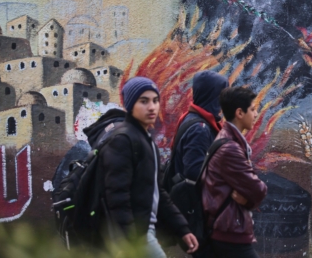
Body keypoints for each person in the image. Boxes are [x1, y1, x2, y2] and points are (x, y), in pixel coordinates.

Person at [99, 76, 199, 257]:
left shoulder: (147, 141)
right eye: (143, 101)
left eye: (155, 101)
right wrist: (129, 241)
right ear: (130, 105)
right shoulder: (123, 140)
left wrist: (182, 229)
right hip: (137, 236)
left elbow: (157, 192)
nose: (152, 107)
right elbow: (117, 196)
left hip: (145, 232)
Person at [201, 86, 268, 258]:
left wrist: (247, 200)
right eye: (252, 109)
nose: (256, 114)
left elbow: (250, 185)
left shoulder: (232, 142)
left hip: (229, 229)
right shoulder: (230, 148)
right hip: (230, 232)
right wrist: (250, 197)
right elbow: (258, 189)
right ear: (239, 113)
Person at [170, 70, 229, 185]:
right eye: (223, 95)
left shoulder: (191, 117)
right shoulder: (199, 129)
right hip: (191, 200)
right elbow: (194, 172)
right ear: (213, 96)